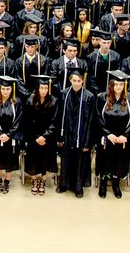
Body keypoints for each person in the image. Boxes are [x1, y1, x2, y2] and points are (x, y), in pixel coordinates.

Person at [95, 71, 130, 199]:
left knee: (119, 161)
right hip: (107, 137)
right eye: (116, 84)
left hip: (123, 138)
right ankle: (103, 182)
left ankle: (116, 183)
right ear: (111, 85)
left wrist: (125, 135)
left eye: (121, 84)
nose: (118, 87)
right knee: (105, 160)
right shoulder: (102, 97)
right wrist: (108, 134)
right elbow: (98, 117)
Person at [56, 69, 95, 197]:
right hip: (67, 132)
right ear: (70, 80)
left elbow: (90, 120)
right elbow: (59, 116)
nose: (76, 83)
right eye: (74, 80)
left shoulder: (89, 96)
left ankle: (78, 187)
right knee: (66, 159)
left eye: (79, 81)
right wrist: (60, 136)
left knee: (80, 160)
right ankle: (64, 184)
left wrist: (87, 141)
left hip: (81, 133)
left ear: (83, 80)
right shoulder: (63, 94)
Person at [23, 75, 59, 196]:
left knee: (45, 158)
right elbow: (28, 120)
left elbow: (55, 121)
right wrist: (37, 136)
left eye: (45, 88)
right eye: (41, 88)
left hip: (48, 137)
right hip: (33, 137)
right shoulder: (30, 100)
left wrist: (45, 136)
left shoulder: (54, 101)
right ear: (37, 88)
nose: (43, 90)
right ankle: (34, 180)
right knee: (33, 157)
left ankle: (43, 180)